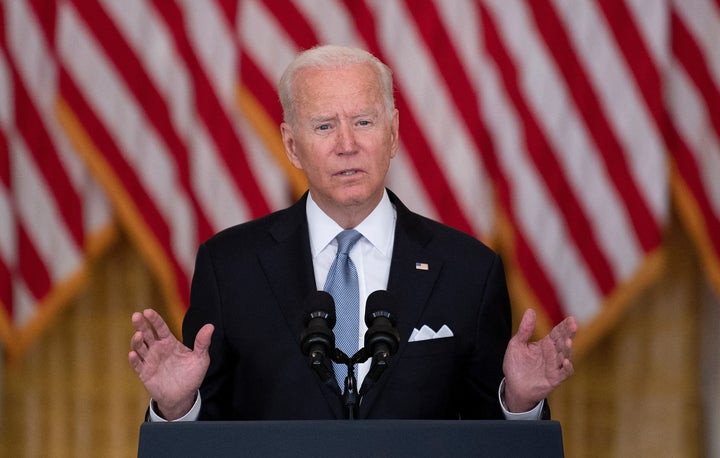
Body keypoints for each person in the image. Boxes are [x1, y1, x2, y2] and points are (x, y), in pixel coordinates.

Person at [129, 44, 577, 422]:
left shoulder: (468, 270)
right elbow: (206, 438)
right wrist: (176, 405)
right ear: (291, 145)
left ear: (394, 133)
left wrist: (520, 400)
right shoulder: (230, 267)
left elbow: (493, 441)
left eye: (363, 121)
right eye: (324, 126)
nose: (347, 144)